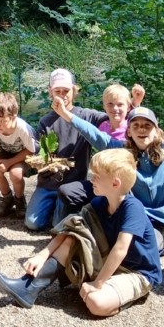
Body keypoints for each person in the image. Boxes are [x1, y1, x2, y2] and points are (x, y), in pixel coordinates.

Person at [0, 149, 162, 316]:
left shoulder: (133, 208)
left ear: (115, 183)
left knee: (96, 303)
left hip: (136, 272)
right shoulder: (100, 202)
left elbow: (120, 249)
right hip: (110, 264)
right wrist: (42, 254)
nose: (92, 179)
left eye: (97, 176)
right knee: (73, 236)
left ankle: (130, 294)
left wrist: (97, 284)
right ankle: (28, 288)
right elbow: (71, 226)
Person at [52, 99, 164, 253]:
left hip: (159, 221)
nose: (141, 130)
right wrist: (65, 114)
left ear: (157, 131)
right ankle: (63, 234)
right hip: (133, 215)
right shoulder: (124, 150)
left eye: (147, 126)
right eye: (135, 126)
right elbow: (95, 135)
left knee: (137, 248)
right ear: (129, 131)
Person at [24, 68, 107, 231]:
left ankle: (64, 211)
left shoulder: (87, 116)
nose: (62, 95)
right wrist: (40, 163)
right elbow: (42, 154)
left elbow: (114, 117)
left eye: (66, 91)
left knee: (58, 226)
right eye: (57, 91)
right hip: (48, 184)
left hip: (72, 186)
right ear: (50, 92)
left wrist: (134, 104)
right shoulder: (45, 121)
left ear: (74, 91)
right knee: (32, 223)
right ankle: (53, 208)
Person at [57, 83, 144, 216]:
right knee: (66, 191)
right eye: (110, 104)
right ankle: (69, 223)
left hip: (123, 185)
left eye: (120, 105)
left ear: (128, 107)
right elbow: (90, 131)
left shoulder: (131, 129)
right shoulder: (103, 125)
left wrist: (136, 104)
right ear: (104, 106)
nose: (115, 108)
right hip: (103, 180)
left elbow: (140, 124)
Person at [0, 93, 36, 219]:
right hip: (5, 152)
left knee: (15, 173)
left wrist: (9, 163)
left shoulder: (23, 129)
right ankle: (7, 199)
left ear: (13, 117)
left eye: (2, 121)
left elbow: (30, 151)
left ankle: (20, 200)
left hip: (24, 154)